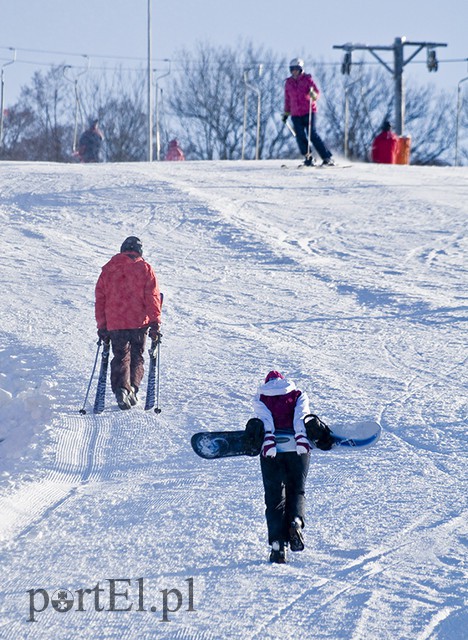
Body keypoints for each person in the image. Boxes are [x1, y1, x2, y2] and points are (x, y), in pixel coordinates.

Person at [246, 370, 334, 563]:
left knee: (274, 497)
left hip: (271, 452)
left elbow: (265, 421)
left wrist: (268, 441)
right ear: (283, 380)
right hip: (298, 450)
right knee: (297, 491)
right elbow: (301, 416)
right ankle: (295, 521)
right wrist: (301, 438)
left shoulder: (260, 397)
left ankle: (278, 547)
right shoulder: (298, 393)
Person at [95, 236, 162, 410]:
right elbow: (152, 298)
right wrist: (155, 322)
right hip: (139, 323)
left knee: (120, 356)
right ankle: (133, 387)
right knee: (137, 356)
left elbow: (100, 299)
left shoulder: (108, 269)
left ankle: (121, 390)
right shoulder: (145, 269)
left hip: (115, 322)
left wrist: (102, 325)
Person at [282, 58, 335, 167]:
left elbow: (316, 93)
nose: (294, 72)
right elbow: (287, 99)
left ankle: (326, 157)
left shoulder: (307, 80)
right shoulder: (288, 83)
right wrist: (286, 113)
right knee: (300, 136)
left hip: (308, 111)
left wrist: (312, 95)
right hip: (296, 114)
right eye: (292, 69)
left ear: (301, 69)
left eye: (296, 69)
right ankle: (308, 157)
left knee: (312, 134)